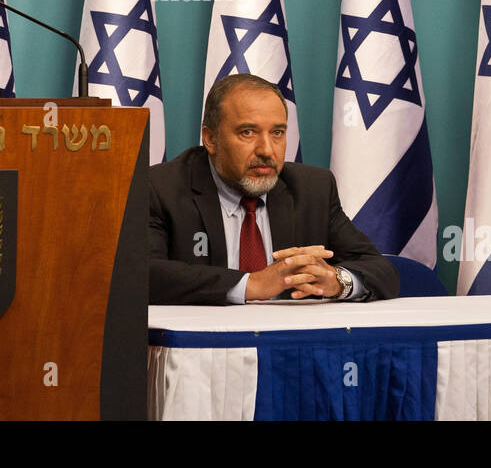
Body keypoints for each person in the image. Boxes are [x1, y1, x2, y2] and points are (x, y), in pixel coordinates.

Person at [149, 73, 399, 305]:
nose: (267, 150)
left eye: (277, 132)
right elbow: (145, 273)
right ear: (211, 139)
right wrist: (252, 284)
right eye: (248, 132)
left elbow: (380, 269)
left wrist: (336, 281)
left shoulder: (313, 189)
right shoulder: (162, 188)